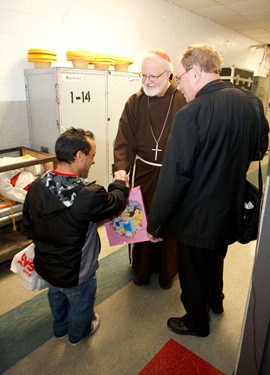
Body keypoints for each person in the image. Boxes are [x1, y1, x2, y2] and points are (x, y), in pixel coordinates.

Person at [147, 44, 269, 337]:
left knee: (193, 270)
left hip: (197, 215)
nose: (179, 86)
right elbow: (259, 150)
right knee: (216, 259)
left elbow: (176, 175)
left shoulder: (191, 113)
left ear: (196, 72)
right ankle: (216, 302)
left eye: (179, 78)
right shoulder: (251, 102)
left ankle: (196, 321)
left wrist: (156, 222)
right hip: (232, 205)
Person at [23, 127, 129, 345]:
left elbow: (28, 225)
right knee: (81, 303)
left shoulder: (37, 185)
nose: (93, 161)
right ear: (79, 156)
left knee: (56, 295)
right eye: (92, 156)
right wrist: (120, 182)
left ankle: (60, 328)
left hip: (48, 266)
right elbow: (115, 202)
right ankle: (78, 334)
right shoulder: (87, 194)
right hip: (77, 271)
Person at [112, 48, 186, 289]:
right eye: (143, 75)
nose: (147, 81)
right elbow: (124, 138)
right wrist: (121, 168)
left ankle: (167, 271)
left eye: (153, 76)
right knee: (138, 221)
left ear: (169, 75)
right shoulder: (135, 101)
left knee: (168, 221)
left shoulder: (184, 98)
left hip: (172, 173)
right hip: (141, 171)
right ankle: (140, 268)